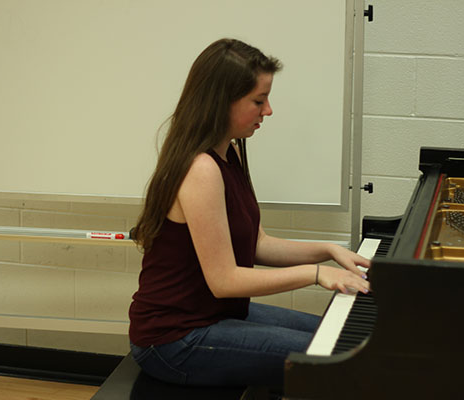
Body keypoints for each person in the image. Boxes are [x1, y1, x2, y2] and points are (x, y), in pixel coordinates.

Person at [129, 38, 370, 390]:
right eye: (258, 100)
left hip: (214, 316)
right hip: (174, 340)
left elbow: (257, 245)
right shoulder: (200, 169)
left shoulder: (230, 154)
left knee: (341, 340)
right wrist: (316, 274)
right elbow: (224, 281)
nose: (268, 110)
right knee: (335, 362)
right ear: (221, 102)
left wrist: (329, 251)